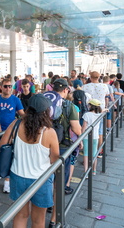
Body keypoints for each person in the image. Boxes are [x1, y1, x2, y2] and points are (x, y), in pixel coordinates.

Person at [1, 94, 59, 228]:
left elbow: (2, 145)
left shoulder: (16, 124)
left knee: (20, 215)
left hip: (17, 175)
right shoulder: (49, 132)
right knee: (38, 220)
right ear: (45, 112)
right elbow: (54, 159)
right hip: (41, 179)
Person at [49, 78, 81, 227]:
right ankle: (54, 219)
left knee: (46, 180)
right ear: (66, 90)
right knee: (59, 183)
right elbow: (76, 128)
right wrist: (80, 140)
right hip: (62, 148)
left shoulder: (45, 102)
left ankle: (47, 203)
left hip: (45, 147)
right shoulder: (70, 106)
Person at [0, 78, 25, 193]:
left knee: (9, 155)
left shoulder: (16, 100)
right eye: (6, 86)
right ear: (1, 87)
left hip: (10, 133)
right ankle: (0, 172)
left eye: (10, 86)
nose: (8, 88)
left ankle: (7, 181)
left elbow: (22, 114)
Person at [82, 71, 109, 158]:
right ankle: (99, 151)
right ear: (99, 77)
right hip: (101, 110)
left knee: (88, 130)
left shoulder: (85, 86)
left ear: (90, 77)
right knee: (100, 131)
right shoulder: (104, 86)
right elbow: (106, 95)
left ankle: (88, 152)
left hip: (89, 111)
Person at [81, 99, 102, 175]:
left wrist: (81, 136)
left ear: (91, 106)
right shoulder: (99, 115)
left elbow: (84, 127)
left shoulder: (87, 115)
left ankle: (86, 172)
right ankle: (94, 170)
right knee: (94, 154)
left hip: (87, 137)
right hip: (95, 136)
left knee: (86, 154)